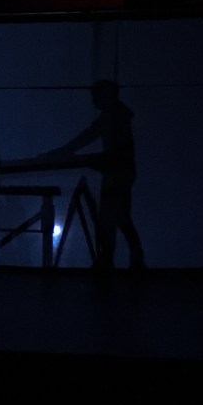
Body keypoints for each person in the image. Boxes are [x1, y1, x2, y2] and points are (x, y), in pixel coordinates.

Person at [42, 80, 145, 270]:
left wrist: (65, 153)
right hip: (119, 173)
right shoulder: (115, 116)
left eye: (96, 95)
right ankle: (123, 260)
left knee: (113, 219)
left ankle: (112, 261)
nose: (94, 99)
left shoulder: (115, 117)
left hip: (117, 174)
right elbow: (88, 137)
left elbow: (97, 142)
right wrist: (65, 152)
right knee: (118, 218)